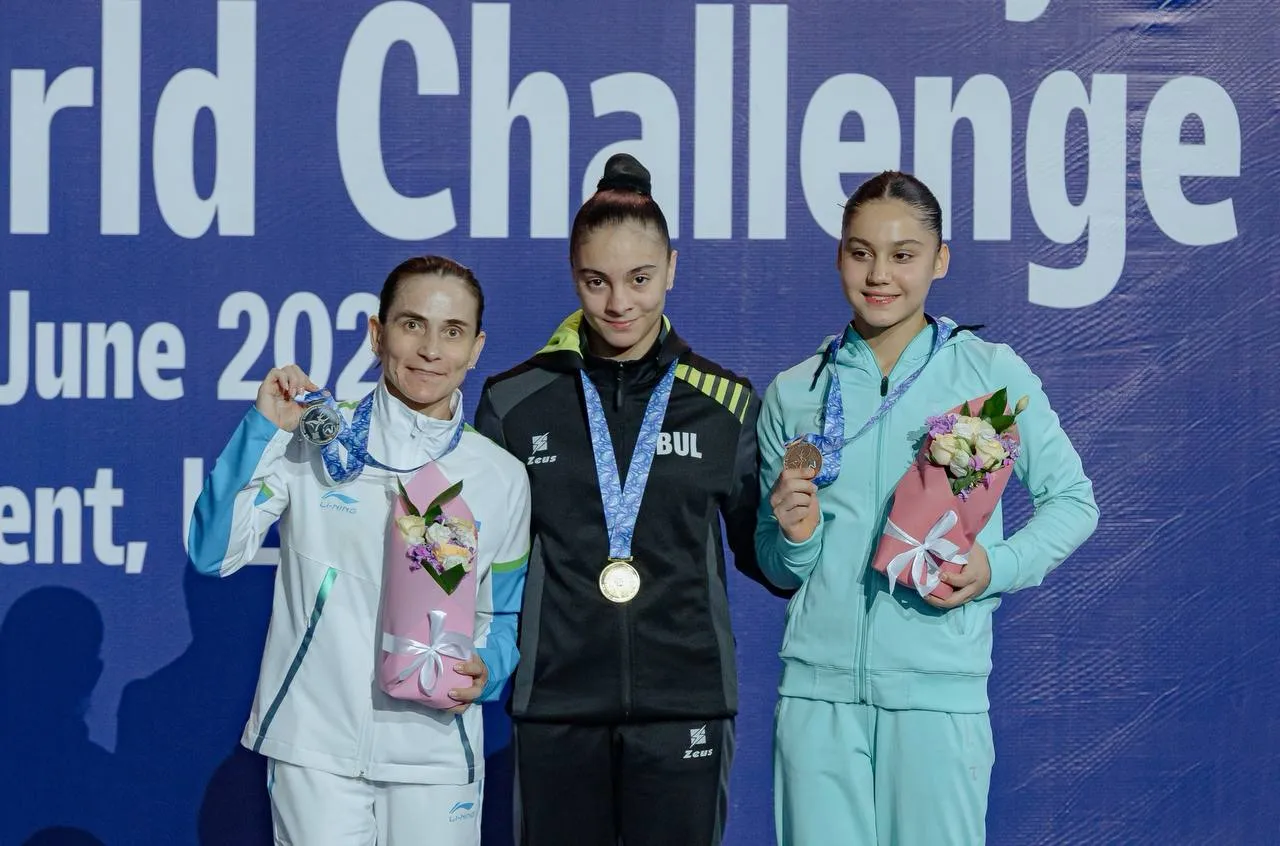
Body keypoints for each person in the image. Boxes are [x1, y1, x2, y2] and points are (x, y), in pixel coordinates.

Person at [757, 171, 1099, 845]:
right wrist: (794, 538)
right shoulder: (796, 393)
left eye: (903, 254)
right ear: (839, 256)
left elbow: (1073, 502)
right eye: (861, 252)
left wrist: (995, 567)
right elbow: (778, 564)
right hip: (816, 699)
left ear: (940, 260)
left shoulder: (989, 375)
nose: (879, 274)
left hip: (937, 695)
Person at [475, 153, 788, 846]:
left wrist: (795, 530)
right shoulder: (514, 401)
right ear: (574, 274)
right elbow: (479, 563)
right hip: (555, 704)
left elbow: (767, 560)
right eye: (598, 281)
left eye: (640, 279)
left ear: (672, 269)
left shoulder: (725, 403)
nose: (620, 303)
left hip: (686, 704)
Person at [187, 255, 531, 845]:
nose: (430, 350)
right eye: (412, 324)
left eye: (452, 332)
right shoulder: (313, 436)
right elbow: (212, 553)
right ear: (377, 333)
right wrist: (261, 429)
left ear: (476, 349)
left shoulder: (500, 476)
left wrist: (489, 668)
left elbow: (501, 615)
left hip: (436, 752)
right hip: (314, 746)